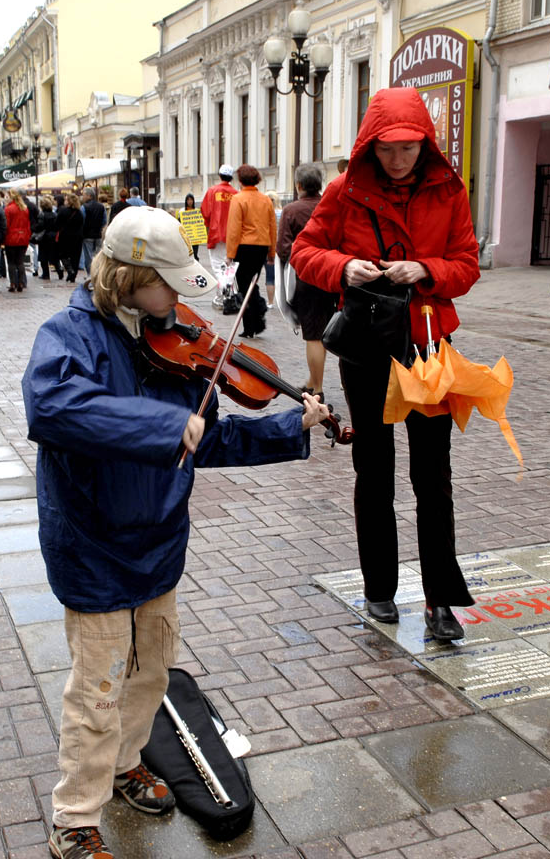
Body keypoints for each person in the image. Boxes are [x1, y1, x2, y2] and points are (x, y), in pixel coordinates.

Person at [22, 205, 328, 859]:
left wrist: (287, 427)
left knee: (151, 673)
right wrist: (163, 427)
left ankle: (129, 762)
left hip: (159, 539)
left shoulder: (175, 333)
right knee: (96, 690)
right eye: (165, 283)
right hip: (94, 543)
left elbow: (209, 440)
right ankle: (74, 819)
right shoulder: (68, 335)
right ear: (126, 276)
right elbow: (52, 409)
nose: (176, 299)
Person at [291, 86, 480, 642]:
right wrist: (344, 267)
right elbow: (305, 251)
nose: (398, 160)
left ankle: (441, 599)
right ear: (370, 145)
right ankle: (379, 589)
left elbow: (466, 265)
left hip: (425, 342)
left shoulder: (449, 191)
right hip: (369, 341)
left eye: (410, 147)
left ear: (426, 143)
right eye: (388, 148)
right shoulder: (344, 191)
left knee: (433, 474)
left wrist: (425, 269)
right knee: (373, 467)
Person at [277, 163, 335, 401]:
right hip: (333, 274)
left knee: (313, 335)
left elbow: (283, 249)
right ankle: (312, 380)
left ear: (298, 185)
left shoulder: (291, 211)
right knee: (324, 330)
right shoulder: (331, 207)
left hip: (306, 278)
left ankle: (317, 389)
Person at [226, 164, 276, 338]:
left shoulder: (238, 199)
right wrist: (271, 253)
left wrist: (230, 255)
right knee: (251, 284)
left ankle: (252, 322)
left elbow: (234, 229)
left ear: (240, 180)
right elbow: (272, 227)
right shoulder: (266, 200)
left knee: (245, 286)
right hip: (261, 246)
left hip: (244, 246)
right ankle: (255, 321)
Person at [200, 164, 237, 276]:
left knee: (217, 266)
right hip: (233, 235)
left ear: (220, 176)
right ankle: (229, 289)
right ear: (231, 178)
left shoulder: (212, 191)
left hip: (216, 233)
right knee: (230, 265)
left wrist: (209, 227)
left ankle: (223, 289)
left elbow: (205, 211)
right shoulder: (236, 194)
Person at [4, 188, 32, 293]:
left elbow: (6, 225)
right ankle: (21, 282)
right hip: (23, 238)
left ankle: (12, 283)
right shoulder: (24, 208)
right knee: (20, 262)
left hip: (11, 238)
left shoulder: (8, 209)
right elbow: (27, 224)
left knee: (11, 262)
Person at [56, 192, 85, 283]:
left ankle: (69, 270)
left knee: (63, 255)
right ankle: (73, 275)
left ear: (68, 201)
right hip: (77, 237)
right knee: (75, 256)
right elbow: (82, 224)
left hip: (65, 236)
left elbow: (57, 223)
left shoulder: (63, 211)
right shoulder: (79, 213)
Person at [81, 186, 107, 281]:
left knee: (88, 256)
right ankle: (97, 273)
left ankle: (90, 274)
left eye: (84, 195)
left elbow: (82, 220)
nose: (82, 197)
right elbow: (104, 221)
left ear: (89, 196)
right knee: (98, 255)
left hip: (87, 235)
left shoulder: (84, 207)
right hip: (98, 235)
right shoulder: (101, 206)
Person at [34, 197, 63, 280]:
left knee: (43, 257)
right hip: (53, 236)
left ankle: (46, 274)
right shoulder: (54, 214)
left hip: (44, 237)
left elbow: (40, 226)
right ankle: (59, 271)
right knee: (54, 256)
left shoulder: (41, 214)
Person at [264, 190, 282, 308]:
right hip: (281, 248)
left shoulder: (263, 214)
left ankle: (270, 302)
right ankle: (282, 302)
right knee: (280, 277)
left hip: (267, 247)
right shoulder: (282, 212)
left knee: (269, 277)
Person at [176, 193, 200, 259]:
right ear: (186, 201)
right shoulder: (182, 211)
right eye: (188, 200)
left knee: (195, 253)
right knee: (187, 252)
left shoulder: (196, 211)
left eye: (191, 200)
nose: (190, 201)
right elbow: (179, 223)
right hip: (186, 236)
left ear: (193, 201)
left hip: (195, 236)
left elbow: (199, 223)